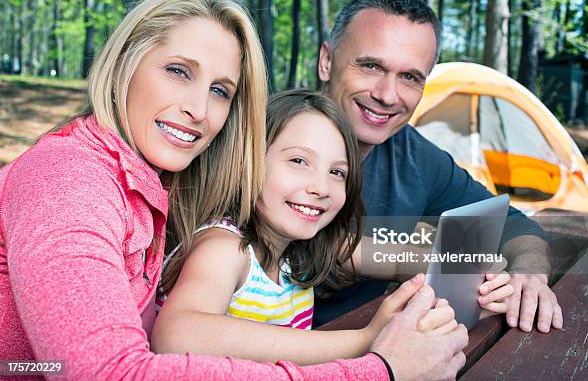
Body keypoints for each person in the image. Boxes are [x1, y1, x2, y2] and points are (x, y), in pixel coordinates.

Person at [0, 0, 468, 380]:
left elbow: (367, 248)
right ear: (124, 62)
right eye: (178, 71)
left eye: (221, 90)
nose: (199, 110)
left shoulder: (166, 182)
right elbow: (109, 372)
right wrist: (376, 364)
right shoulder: (69, 179)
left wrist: (481, 266)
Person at [152, 90, 509, 364]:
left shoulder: (307, 245)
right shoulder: (225, 248)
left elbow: (399, 259)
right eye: (298, 161)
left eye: (337, 172)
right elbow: (176, 335)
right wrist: (367, 338)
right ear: (248, 162)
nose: (321, 187)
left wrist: (475, 270)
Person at [314, 0, 563, 334]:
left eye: (410, 77)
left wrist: (528, 273)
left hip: (371, 342)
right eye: (371, 66)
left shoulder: (415, 157)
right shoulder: (266, 134)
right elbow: (310, 246)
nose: (387, 95)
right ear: (327, 61)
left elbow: (514, 222)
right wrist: (431, 262)